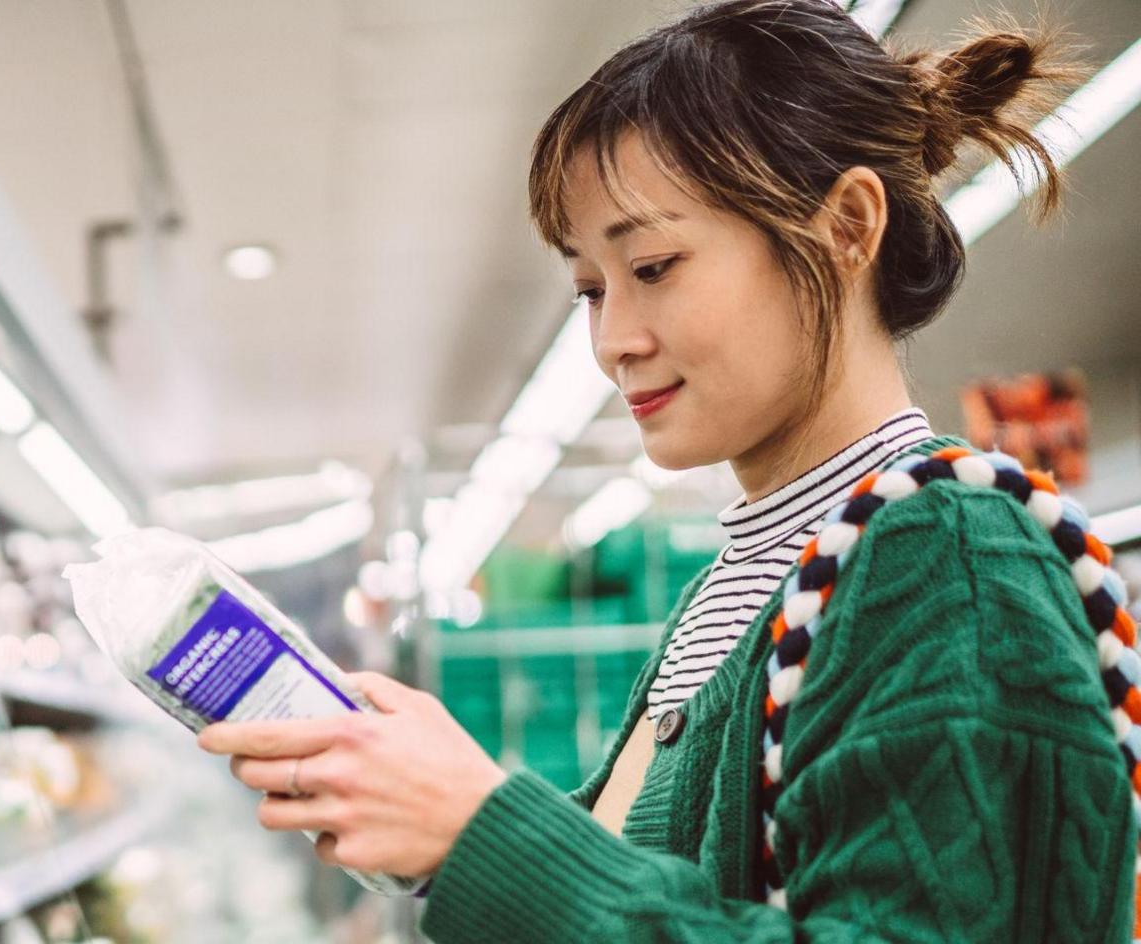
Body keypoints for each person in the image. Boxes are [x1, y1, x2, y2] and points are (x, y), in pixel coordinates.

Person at [197, 0, 1139, 940]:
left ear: (848, 227)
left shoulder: (951, 557)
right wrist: (427, 817)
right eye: (590, 291)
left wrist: (481, 835)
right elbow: (676, 869)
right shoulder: (746, 583)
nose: (612, 342)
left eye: (652, 266)